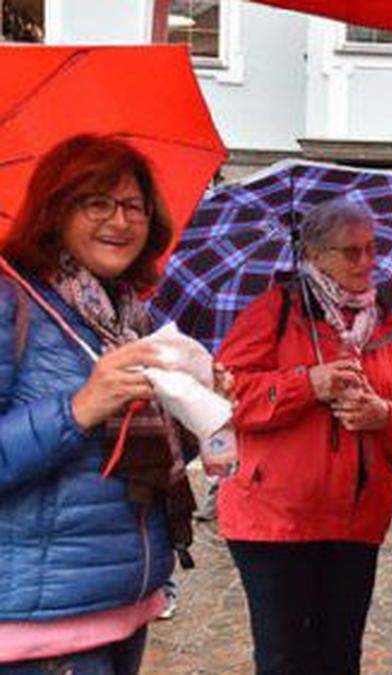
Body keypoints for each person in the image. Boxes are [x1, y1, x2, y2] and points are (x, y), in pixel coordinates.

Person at [216, 198, 392, 675]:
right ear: (314, 255)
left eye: (372, 248)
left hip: (356, 520)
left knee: (340, 658)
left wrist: (386, 415)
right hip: (276, 521)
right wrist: (306, 383)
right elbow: (226, 398)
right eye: (350, 251)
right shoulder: (275, 309)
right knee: (286, 660)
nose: (367, 262)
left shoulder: (386, 324)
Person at [0, 135, 191, 672]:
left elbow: (135, 461)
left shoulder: (126, 316)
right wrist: (80, 407)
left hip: (119, 606)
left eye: (133, 206)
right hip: (35, 629)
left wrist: (194, 407)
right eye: (97, 203)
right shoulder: (11, 300)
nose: (121, 222)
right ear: (56, 210)